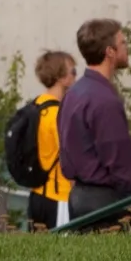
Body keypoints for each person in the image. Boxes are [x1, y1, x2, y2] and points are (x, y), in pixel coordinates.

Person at [59, 17, 131, 222]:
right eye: (122, 43)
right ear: (110, 52)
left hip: (78, 198)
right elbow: (120, 161)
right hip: (106, 203)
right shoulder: (104, 100)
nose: (126, 47)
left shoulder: (73, 93)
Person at [27, 51, 77, 229]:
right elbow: (68, 159)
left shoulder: (37, 106)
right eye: (73, 71)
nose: (75, 77)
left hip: (37, 195)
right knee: (63, 252)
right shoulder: (58, 114)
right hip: (59, 196)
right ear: (61, 78)